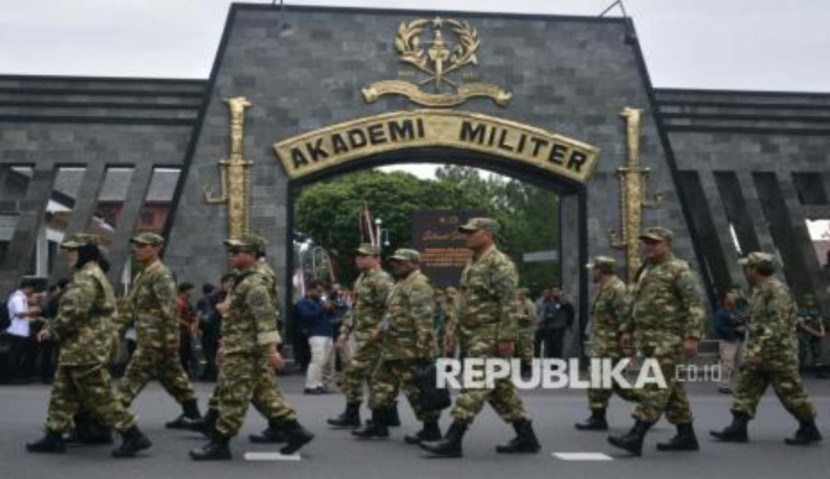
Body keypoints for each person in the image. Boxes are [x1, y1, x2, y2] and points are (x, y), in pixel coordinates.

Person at [421, 218, 540, 457]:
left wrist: (507, 337)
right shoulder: (473, 263)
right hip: (472, 335)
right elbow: (464, 303)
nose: (466, 236)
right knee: (500, 391)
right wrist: (452, 332)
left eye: (471, 232)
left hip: (490, 336)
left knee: (474, 385)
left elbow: (508, 303)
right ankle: (527, 437)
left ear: (487, 234)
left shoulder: (500, 263)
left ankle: (453, 439)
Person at [26, 233, 151, 457]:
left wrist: (52, 329)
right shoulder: (93, 273)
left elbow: (74, 313)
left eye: (73, 251)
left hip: (85, 346)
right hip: (82, 345)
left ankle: (133, 434)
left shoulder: (86, 277)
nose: (68, 255)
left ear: (85, 253)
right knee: (62, 392)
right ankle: (54, 435)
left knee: (99, 394)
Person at [190, 235, 313, 460]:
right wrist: (223, 345)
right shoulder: (243, 278)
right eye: (231, 251)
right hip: (239, 345)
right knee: (263, 394)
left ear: (253, 255)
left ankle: (219, 443)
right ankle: (296, 431)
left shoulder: (255, 282)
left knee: (232, 396)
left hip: (245, 349)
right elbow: (236, 317)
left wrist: (271, 350)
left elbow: (265, 317)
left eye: (238, 251)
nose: (232, 255)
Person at [608, 226, 705, 456]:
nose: (648, 246)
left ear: (667, 244)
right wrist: (627, 330)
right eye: (646, 242)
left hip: (669, 339)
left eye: (654, 242)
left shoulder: (679, 270)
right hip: (648, 338)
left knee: (656, 384)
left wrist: (692, 337)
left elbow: (695, 305)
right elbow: (636, 304)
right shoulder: (646, 269)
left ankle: (636, 435)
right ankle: (686, 435)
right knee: (673, 390)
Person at [711, 252, 823, 446]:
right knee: (746, 388)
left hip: (777, 354)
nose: (746, 271)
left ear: (756, 269)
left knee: (790, 392)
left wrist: (756, 351)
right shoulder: (759, 291)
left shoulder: (776, 291)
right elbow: (756, 319)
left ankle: (809, 427)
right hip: (760, 353)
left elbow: (776, 327)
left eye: (748, 267)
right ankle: (738, 428)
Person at [352, 248, 441, 444]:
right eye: (394, 262)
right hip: (391, 346)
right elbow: (391, 314)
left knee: (415, 390)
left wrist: (424, 351)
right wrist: (380, 329)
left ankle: (431, 429)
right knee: (379, 383)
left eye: (401, 262)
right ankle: (378, 425)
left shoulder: (419, 284)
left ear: (413, 264)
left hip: (408, 349)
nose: (396, 265)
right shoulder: (400, 284)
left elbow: (423, 321)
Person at [114, 233, 202, 429]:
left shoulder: (161, 274)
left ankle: (110, 418)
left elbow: (169, 308)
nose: (136, 249)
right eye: (136, 246)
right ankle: (193, 415)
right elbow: (130, 306)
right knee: (173, 377)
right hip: (148, 335)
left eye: (142, 246)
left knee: (131, 379)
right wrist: (117, 330)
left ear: (156, 249)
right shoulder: (142, 274)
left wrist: (172, 339)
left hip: (155, 339)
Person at [328, 244, 393, 428]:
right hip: (362, 336)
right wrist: (343, 333)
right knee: (374, 376)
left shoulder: (382, 279)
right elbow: (354, 310)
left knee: (355, 372)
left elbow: (392, 310)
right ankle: (387, 415)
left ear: (377, 259)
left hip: (376, 337)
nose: (359, 259)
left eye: (365, 256)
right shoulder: (361, 279)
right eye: (358, 256)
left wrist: (381, 330)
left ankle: (353, 415)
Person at [575, 256, 636, 431]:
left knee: (603, 382)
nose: (592, 273)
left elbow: (625, 315)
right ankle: (653, 401)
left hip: (612, 344)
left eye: (593, 269)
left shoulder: (617, 288)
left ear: (600, 270)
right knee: (613, 383)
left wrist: (626, 341)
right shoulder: (603, 288)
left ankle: (598, 418)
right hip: (602, 342)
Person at [296, 280, 333, 394]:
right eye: (318, 291)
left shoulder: (320, 301)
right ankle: (310, 385)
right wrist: (322, 308)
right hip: (316, 333)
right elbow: (308, 316)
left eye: (322, 291)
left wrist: (330, 308)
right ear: (310, 290)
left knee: (323, 361)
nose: (320, 293)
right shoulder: (304, 302)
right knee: (316, 360)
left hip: (327, 332)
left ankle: (318, 383)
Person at [5, 277, 40, 383]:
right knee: (15, 355)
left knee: (18, 354)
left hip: (21, 330)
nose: (31, 293)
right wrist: (32, 310)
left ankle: (15, 375)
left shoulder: (20, 297)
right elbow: (20, 313)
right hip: (17, 331)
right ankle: (12, 376)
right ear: (27, 288)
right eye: (31, 290)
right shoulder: (18, 298)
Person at [713, 290, 746, 394]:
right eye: (731, 296)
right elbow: (719, 327)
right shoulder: (720, 313)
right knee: (727, 363)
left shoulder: (736, 312)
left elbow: (743, 321)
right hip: (728, 340)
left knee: (740, 363)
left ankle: (740, 385)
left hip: (739, 340)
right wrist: (735, 330)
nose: (734, 298)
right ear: (725, 300)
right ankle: (724, 385)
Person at [797, 294, 826, 379]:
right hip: (805, 335)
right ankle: (798, 372)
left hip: (815, 335)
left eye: (811, 300)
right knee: (802, 354)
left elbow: (820, 322)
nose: (810, 302)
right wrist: (815, 332)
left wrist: (822, 332)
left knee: (817, 353)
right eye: (808, 300)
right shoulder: (801, 312)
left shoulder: (816, 311)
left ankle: (819, 372)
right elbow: (802, 325)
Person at [541, 287, 574, 359]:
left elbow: (570, 310)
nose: (555, 293)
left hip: (560, 327)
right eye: (554, 291)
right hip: (550, 327)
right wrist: (547, 317)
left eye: (557, 291)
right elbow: (544, 314)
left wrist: (569, 324)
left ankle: (559, 362)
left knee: (558, 347)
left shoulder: (564, 302)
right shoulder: (548, 302)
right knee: (550, 347)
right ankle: (550, 362)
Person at [196, 283, 221, 380]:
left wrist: (199, 326)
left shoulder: (203, 301)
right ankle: (210, 372)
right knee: (213, 353)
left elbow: (201, 316)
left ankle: (212, 373)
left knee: (209, 353)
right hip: (215, 331)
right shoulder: (215, 303)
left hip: (208, 332)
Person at [176, 282, 198, 377]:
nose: (192, 292)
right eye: (191, 290)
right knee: (182, 354)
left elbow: (193, 316)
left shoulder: (187, 302)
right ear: (186, 290)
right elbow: (176, 318)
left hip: (186, 333)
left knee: (187, 354)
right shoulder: (179, 302)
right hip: (180, 333)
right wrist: (188, 325)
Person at [515, 288, 536, 377]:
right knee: (520, 350)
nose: (518, 296)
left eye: (519, 294)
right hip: (519, 329)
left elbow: (532, 317)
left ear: (524, 295)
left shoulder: (529, 304)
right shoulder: (519, 304)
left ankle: (529, 368)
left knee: (527, 350)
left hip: (527, 330)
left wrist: (520, 316)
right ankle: (522, 368)